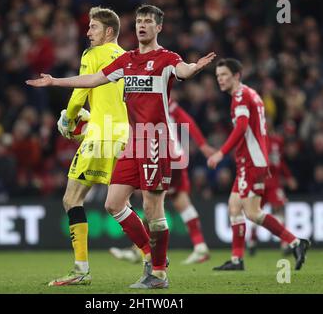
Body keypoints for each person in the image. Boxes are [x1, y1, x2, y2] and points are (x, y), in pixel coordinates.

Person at [27, 4, 216, 288]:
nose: (142, 25)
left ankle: (159, 272)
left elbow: (183, 70)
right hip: (130, 140)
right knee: (113, 203)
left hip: (155, 140)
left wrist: (194, 68)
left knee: (154, 211)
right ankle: (151, 259)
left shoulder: (167, 58)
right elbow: (93, 80)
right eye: (139, 21)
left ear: (158, 27)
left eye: (148, 21)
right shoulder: (127, 59)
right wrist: (54, 81)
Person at [28, 7, 129, 286]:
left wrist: (68, 117)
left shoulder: (92, 55)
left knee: (72, 199)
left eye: (93, 27)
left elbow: (80, 92)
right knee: (121, 203)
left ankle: (81, 269)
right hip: (126, 136)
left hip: (98, 136)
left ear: (109, 32)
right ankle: (153, 262)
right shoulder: (127, 59)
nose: (87, 32)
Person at [207, 58, 310, 271]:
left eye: (224, 75)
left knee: (252, 213)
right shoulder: (251, 93)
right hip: (251, 160)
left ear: (236, 76)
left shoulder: (240, 96)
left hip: (252, 162)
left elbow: (242, 127)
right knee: (234, 207)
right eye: (218, 76)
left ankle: (296, 242)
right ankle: (237, 260)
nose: (220, 79)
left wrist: (220, 153)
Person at [109, 99, 215, 265]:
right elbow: (187, 121)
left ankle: (144, 253)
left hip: (163, 155)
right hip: (177, 156)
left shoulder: (145, 101)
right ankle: (200, 247)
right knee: (178, 201)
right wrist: (202, 145)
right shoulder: (168, 101)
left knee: (152, 205)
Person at [248, 119, 298, 256]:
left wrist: (288, 177)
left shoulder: (277, 141)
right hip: (260, 181)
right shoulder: (257, 140)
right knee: (255, 212)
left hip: (273, 182)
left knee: (277, 210)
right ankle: (252, 241)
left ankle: (283, 244)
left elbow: (280, 162)